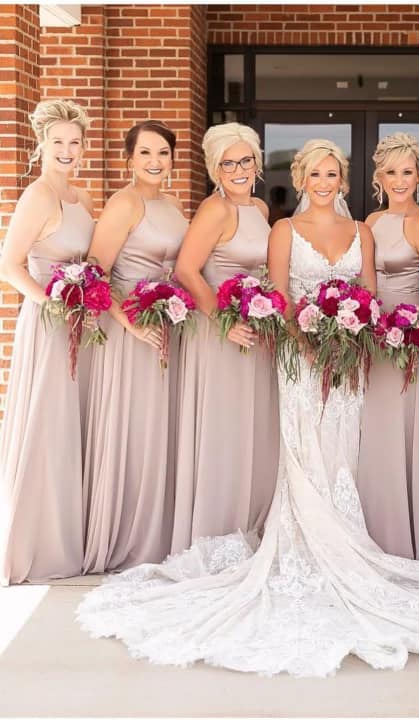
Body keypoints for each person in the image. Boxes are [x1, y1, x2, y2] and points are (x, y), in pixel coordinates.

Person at [76, 138, 419, 678]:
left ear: (343, 180)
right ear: (302, 179)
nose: (324, 183)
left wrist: (353, 337)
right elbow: (279, 295)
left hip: (350, 358)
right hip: (299, 359)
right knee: (304, 449)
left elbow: (369, 293)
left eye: (333, 174)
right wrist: (305, 341)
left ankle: (347, 542)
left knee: (343, 450)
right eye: (315, 174)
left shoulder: (363, 233)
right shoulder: (281, 229)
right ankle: (301, 544)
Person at [82, 121, 188, 573]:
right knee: (134, 428)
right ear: (129, 159)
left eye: (162, 152)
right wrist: (130, 325)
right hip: (131, 333)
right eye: (145, 152)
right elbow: (95, 274)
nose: (154, 161)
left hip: (167, 328)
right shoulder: (124, 203)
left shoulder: (173, 205)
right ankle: (127, 534)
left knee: (160, 428)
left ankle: (157, 531)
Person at [171, 122, 279, 552]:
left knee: (251, 428)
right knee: (225, 427)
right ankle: (217, 531)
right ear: (215, 170)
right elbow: (186, 270)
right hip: (220, 333)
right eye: (227, 164)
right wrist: (223, 321)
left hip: (254, 332)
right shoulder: (214, 210)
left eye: (244, 160)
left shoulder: (259, 209)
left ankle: (249, 521)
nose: (238, 170)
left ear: (257, 162)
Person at [0, 99, 94, 585]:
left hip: (80, 323)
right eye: (58, 141)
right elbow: (9, 264)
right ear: (42, 144)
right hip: (49, 322)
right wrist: (52, 302)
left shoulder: (80, 197)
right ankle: (39, 542)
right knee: (48, 422)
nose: (66, 150)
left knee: (71, 424)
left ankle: (71, 533)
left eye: (74, 142)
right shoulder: (37, 196)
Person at [356, 132, 419, 561]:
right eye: (390, 172)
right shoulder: (372, 222)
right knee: (374, 430)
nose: (398, 180)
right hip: (374, 339)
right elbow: (364, 281)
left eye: (406, 172)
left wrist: (413, 333)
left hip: (409, 343)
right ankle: (373, 529)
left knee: (403, 428)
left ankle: (406, 535)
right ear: (379, 176)